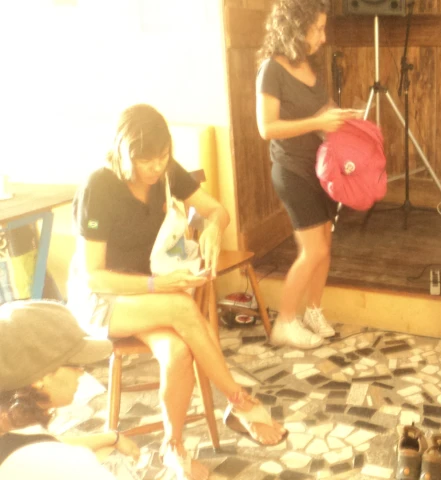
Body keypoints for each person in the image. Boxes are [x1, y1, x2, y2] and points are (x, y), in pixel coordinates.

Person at [66, 104, 286, 480]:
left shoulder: (168, 171)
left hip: (150, 297)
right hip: (104, 299)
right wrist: (158, 285)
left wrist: (215, 225)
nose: (155, 167)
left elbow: (216, 210)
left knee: (179, 351)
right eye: (145, 159)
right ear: (124, 152)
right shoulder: (99, 186)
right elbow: (95, 277)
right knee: (182, 308)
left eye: (162, 156)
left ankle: (174, 445)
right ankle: (239, 401)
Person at [256, 0, 359, 349]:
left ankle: (313, 310)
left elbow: (322, 109)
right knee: (312, 250)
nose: (323, 36)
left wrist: (345, 118)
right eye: (317, 28)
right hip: (290, 170)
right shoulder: (271, 69)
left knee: (325, 247)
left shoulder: (311, 66)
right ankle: (285, 321)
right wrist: (319, 123)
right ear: (295, 29)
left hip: (320, 168)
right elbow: (266, 127)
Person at [0, 301, 139, 479]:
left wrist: (111, 438)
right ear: (39, 379)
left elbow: (39, 444)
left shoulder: (11, 431)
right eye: (75, 364)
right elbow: (48, 454)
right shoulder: (60, 463)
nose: (81, 372)